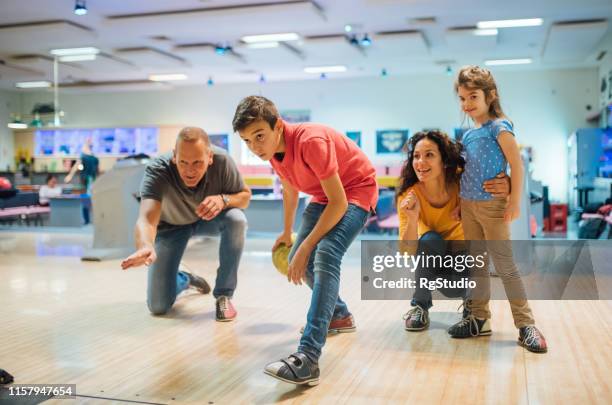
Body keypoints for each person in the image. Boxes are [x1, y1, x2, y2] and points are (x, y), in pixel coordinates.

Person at [233, 96, 377, 386]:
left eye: (259, 136)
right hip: (326, 197)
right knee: (297, 259)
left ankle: (308, 356)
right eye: (247, 141)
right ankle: (339, 315)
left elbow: (338, 203)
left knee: (325, 253)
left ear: (278, 126)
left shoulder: (310, 141)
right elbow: (289, 190)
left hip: (356, 192)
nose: (255, 147)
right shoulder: (273, 152)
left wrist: (307, 245)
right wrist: (288, 233)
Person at [448, 65, 547, 353]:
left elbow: (517, 165)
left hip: (492, 207)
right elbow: (465, 172)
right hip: (468, 207)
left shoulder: (500, 127)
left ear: (490, 95)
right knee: (476, 264)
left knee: (505, 266)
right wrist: (458, 204)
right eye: (463, 99)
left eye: (473, 97)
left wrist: (515, 200)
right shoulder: (468, 135)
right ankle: (479, 318)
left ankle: (526, 324)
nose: (467, 105)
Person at [120, 127, 251, 321]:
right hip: (172, 225)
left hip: (208, 218)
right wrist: (146, 245)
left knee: (236, 219)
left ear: (210, 157)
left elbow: (245, 197)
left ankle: (224, 296)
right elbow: (147, 218)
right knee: (158, 306)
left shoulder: (223, 162)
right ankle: (186, 279)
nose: (190, 170)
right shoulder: (158, 169)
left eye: (198, 162)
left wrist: (223, 200)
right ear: (174, 156)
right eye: (183, 162)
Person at [397, 131, 509, 331]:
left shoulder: (463, 181)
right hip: (436, 267)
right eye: (416, 156)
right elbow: (407, 252)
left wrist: (507, 183)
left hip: (464, 264)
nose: (420, 161)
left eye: (429, 154)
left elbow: (495, 192)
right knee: (429, 240)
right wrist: (413, 219)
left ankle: (472, 309)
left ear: (444, 161)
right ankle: (420, 307)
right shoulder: (409, 196)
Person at [65, 138, 99, 224]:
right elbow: (77, 165)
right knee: (87, 201)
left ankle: (90, 220)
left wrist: (70, 176)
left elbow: (97, 170)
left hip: (90, 182)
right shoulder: (89, 157)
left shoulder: (90, 157)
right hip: (89, 182)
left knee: (90, 201)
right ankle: (88, 220)